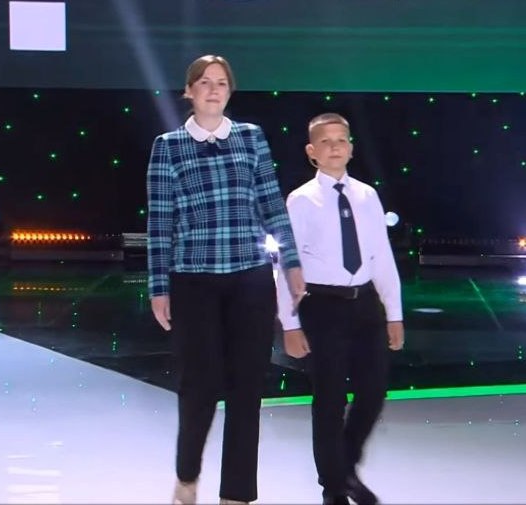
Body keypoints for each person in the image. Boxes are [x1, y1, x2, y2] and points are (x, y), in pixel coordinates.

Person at [146, 54, 305, 505]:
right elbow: (160, 221)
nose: (213, 89)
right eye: (204, 82)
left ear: (229, 91)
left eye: (221, 83)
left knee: (247, 388)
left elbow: (272, 204)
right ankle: (187, 476)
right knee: (198, 386)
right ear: (189, 91)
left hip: (250, 279)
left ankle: (236, 494)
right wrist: (158, 287)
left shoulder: (251, 137)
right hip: (193, 281)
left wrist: (292, 262)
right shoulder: (168, 146)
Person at [276, 113, 404, 505]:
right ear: (312, 152)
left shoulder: (367, 196)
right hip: (321, 306)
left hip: (364, 303)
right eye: (326, 141)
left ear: (351, 147)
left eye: (341, 140)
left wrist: (394, 313)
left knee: (373, 391)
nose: (335, 147)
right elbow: (287, 265)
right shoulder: (301, 200)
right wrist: (289, 323)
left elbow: (381, 256)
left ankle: (344, 466)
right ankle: (333, 488)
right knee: (330, 400)